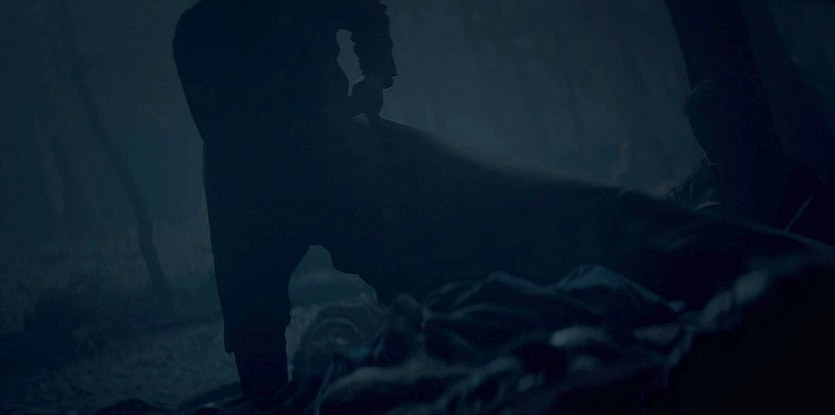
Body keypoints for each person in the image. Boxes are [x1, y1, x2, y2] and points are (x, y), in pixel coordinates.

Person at [172, 0, 397, 397]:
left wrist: (375, 78)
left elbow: (367, 14)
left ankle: (432, 348)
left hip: (326, 151)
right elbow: (219, 132)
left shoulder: (203, 26)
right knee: (252, 315)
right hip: (250, 179)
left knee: (399, 267)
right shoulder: (198, 29)